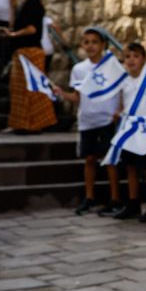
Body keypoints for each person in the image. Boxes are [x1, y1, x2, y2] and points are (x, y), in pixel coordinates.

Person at [57, 28, 122, 216]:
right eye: (86, 42)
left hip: (108, 118)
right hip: (88, 120)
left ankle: (115, 198)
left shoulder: (113, 65)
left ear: (102, 45)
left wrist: (119, 110)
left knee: (110, 160)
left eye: (94, 42)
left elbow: (121, 89)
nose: (90, 46)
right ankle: (89, 197)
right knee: (90, 159)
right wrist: (61, 94)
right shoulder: (79, 69)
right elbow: (77, 96)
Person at [110, 42, 146, 222]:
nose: (131, 60)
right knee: (131, 167)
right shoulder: (125, 81)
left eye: (136, 56)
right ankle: (133, 202)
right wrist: (119, 113)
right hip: (130, 129)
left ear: (143, 59)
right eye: (128, 57)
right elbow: (123, 103)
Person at [1, 0, 56, 134]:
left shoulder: (33, 4)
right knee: (19, 89)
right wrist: (12, 7)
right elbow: (15, 26)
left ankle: (34, 123)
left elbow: (32, 29)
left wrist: (13, 36)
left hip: (30, 50)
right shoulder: (25, 5)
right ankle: (22, 123)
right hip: (22, 50)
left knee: (31, 89)